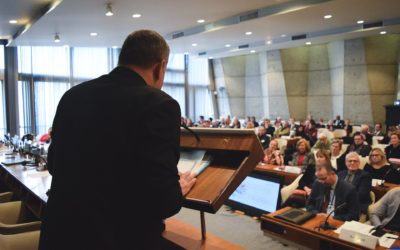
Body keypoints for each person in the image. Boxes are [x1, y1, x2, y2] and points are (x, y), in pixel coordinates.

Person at [39, 30, 197, 250]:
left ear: (123, 60)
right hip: (115, 239)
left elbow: (54, 164)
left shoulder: (73, 96)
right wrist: (175, 189)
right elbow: (163, 201)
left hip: (59, 235)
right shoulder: (159, 104)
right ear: (160, 67)